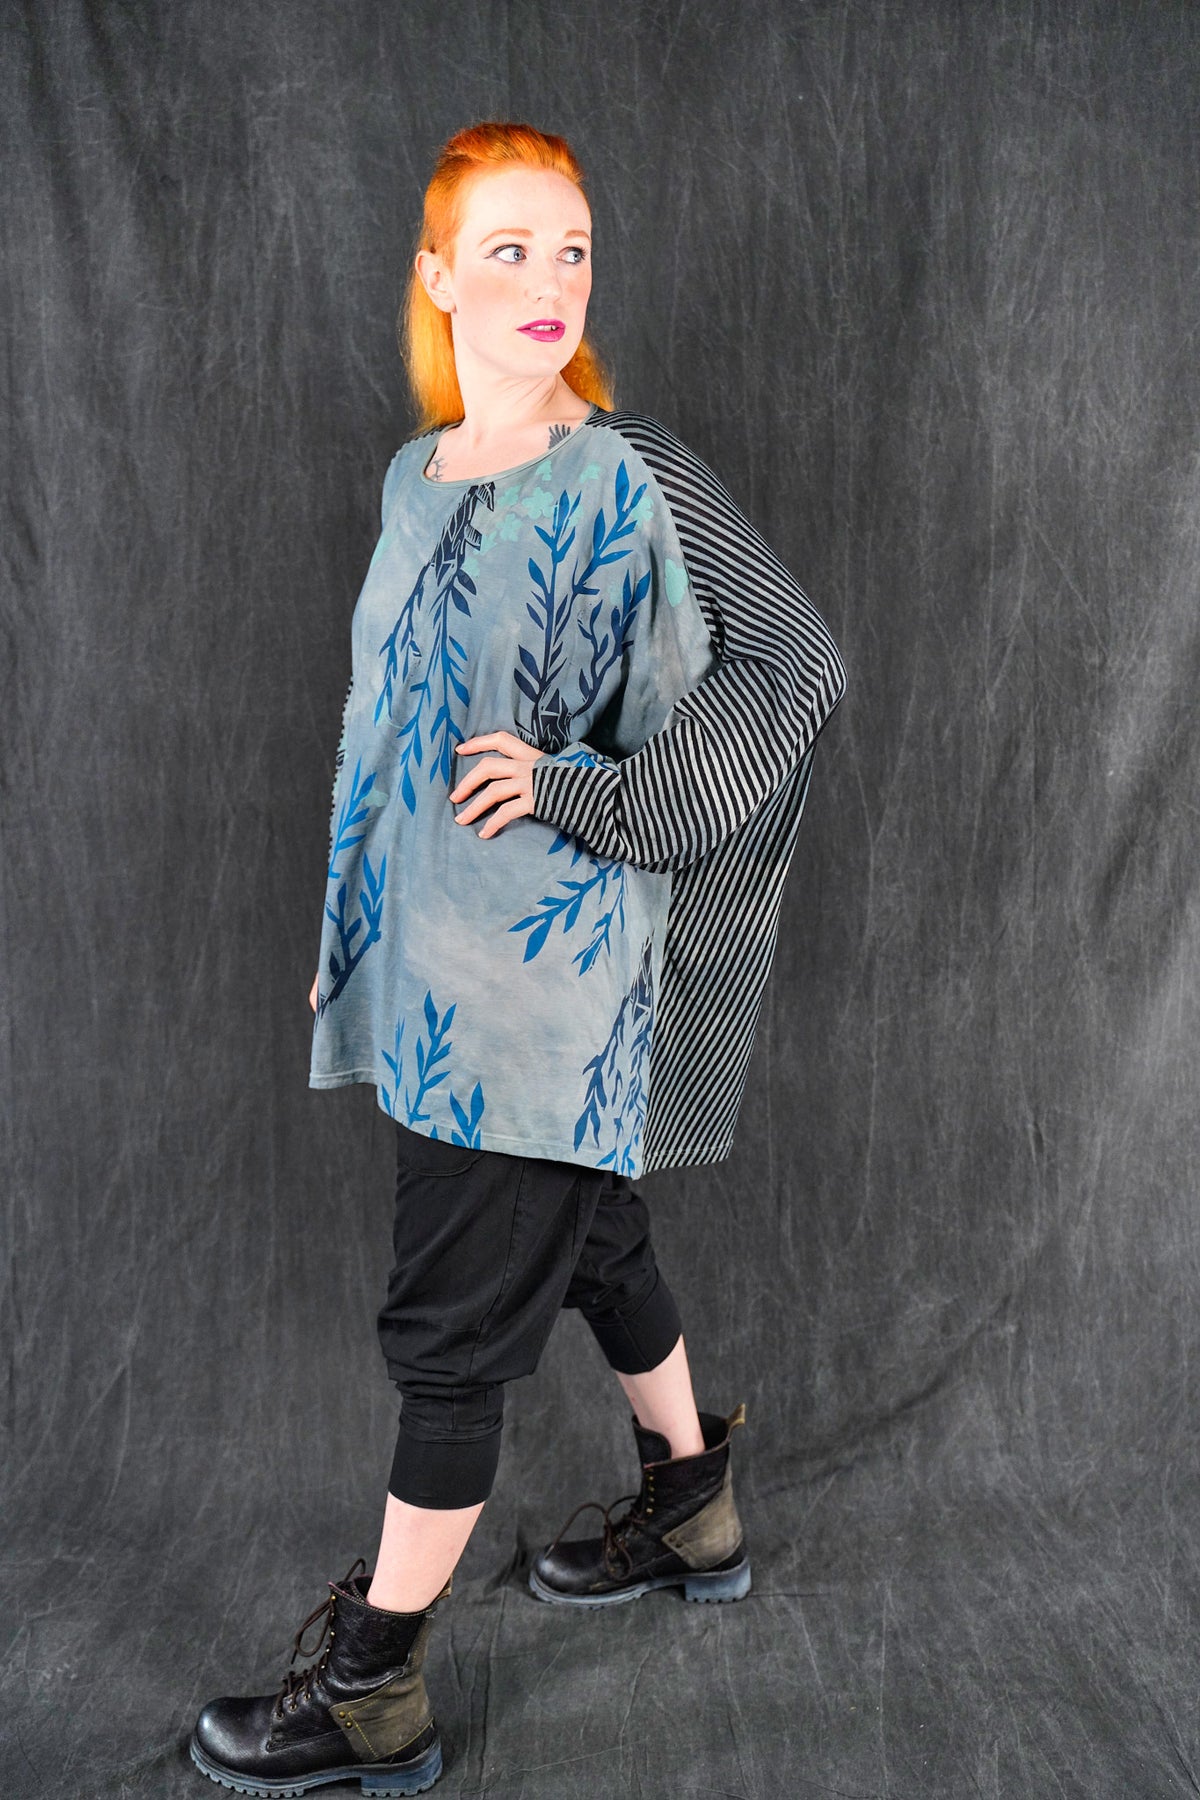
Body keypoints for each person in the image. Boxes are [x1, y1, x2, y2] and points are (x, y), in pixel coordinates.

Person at [189, 119, 847, 1796]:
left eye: (572, 250)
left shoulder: (631, 472)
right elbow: (383, 726)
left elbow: (792, 668)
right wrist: (354, 932)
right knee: (596, 1234)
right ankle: (692, 1505)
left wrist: (594, 794)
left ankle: (373, 1688)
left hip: (539, 997)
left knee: (450, 1334)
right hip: (433, 976)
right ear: (436, 276)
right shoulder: (416, 476)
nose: (550, 281)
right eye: (508, 249)